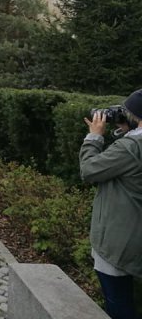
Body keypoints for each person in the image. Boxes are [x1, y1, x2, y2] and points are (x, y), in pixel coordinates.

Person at [81, 90, 142, 319]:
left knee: (119, 303)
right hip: (134, 233)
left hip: (119, 241)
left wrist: (94, 137)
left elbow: (89, 171)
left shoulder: (130, 148)